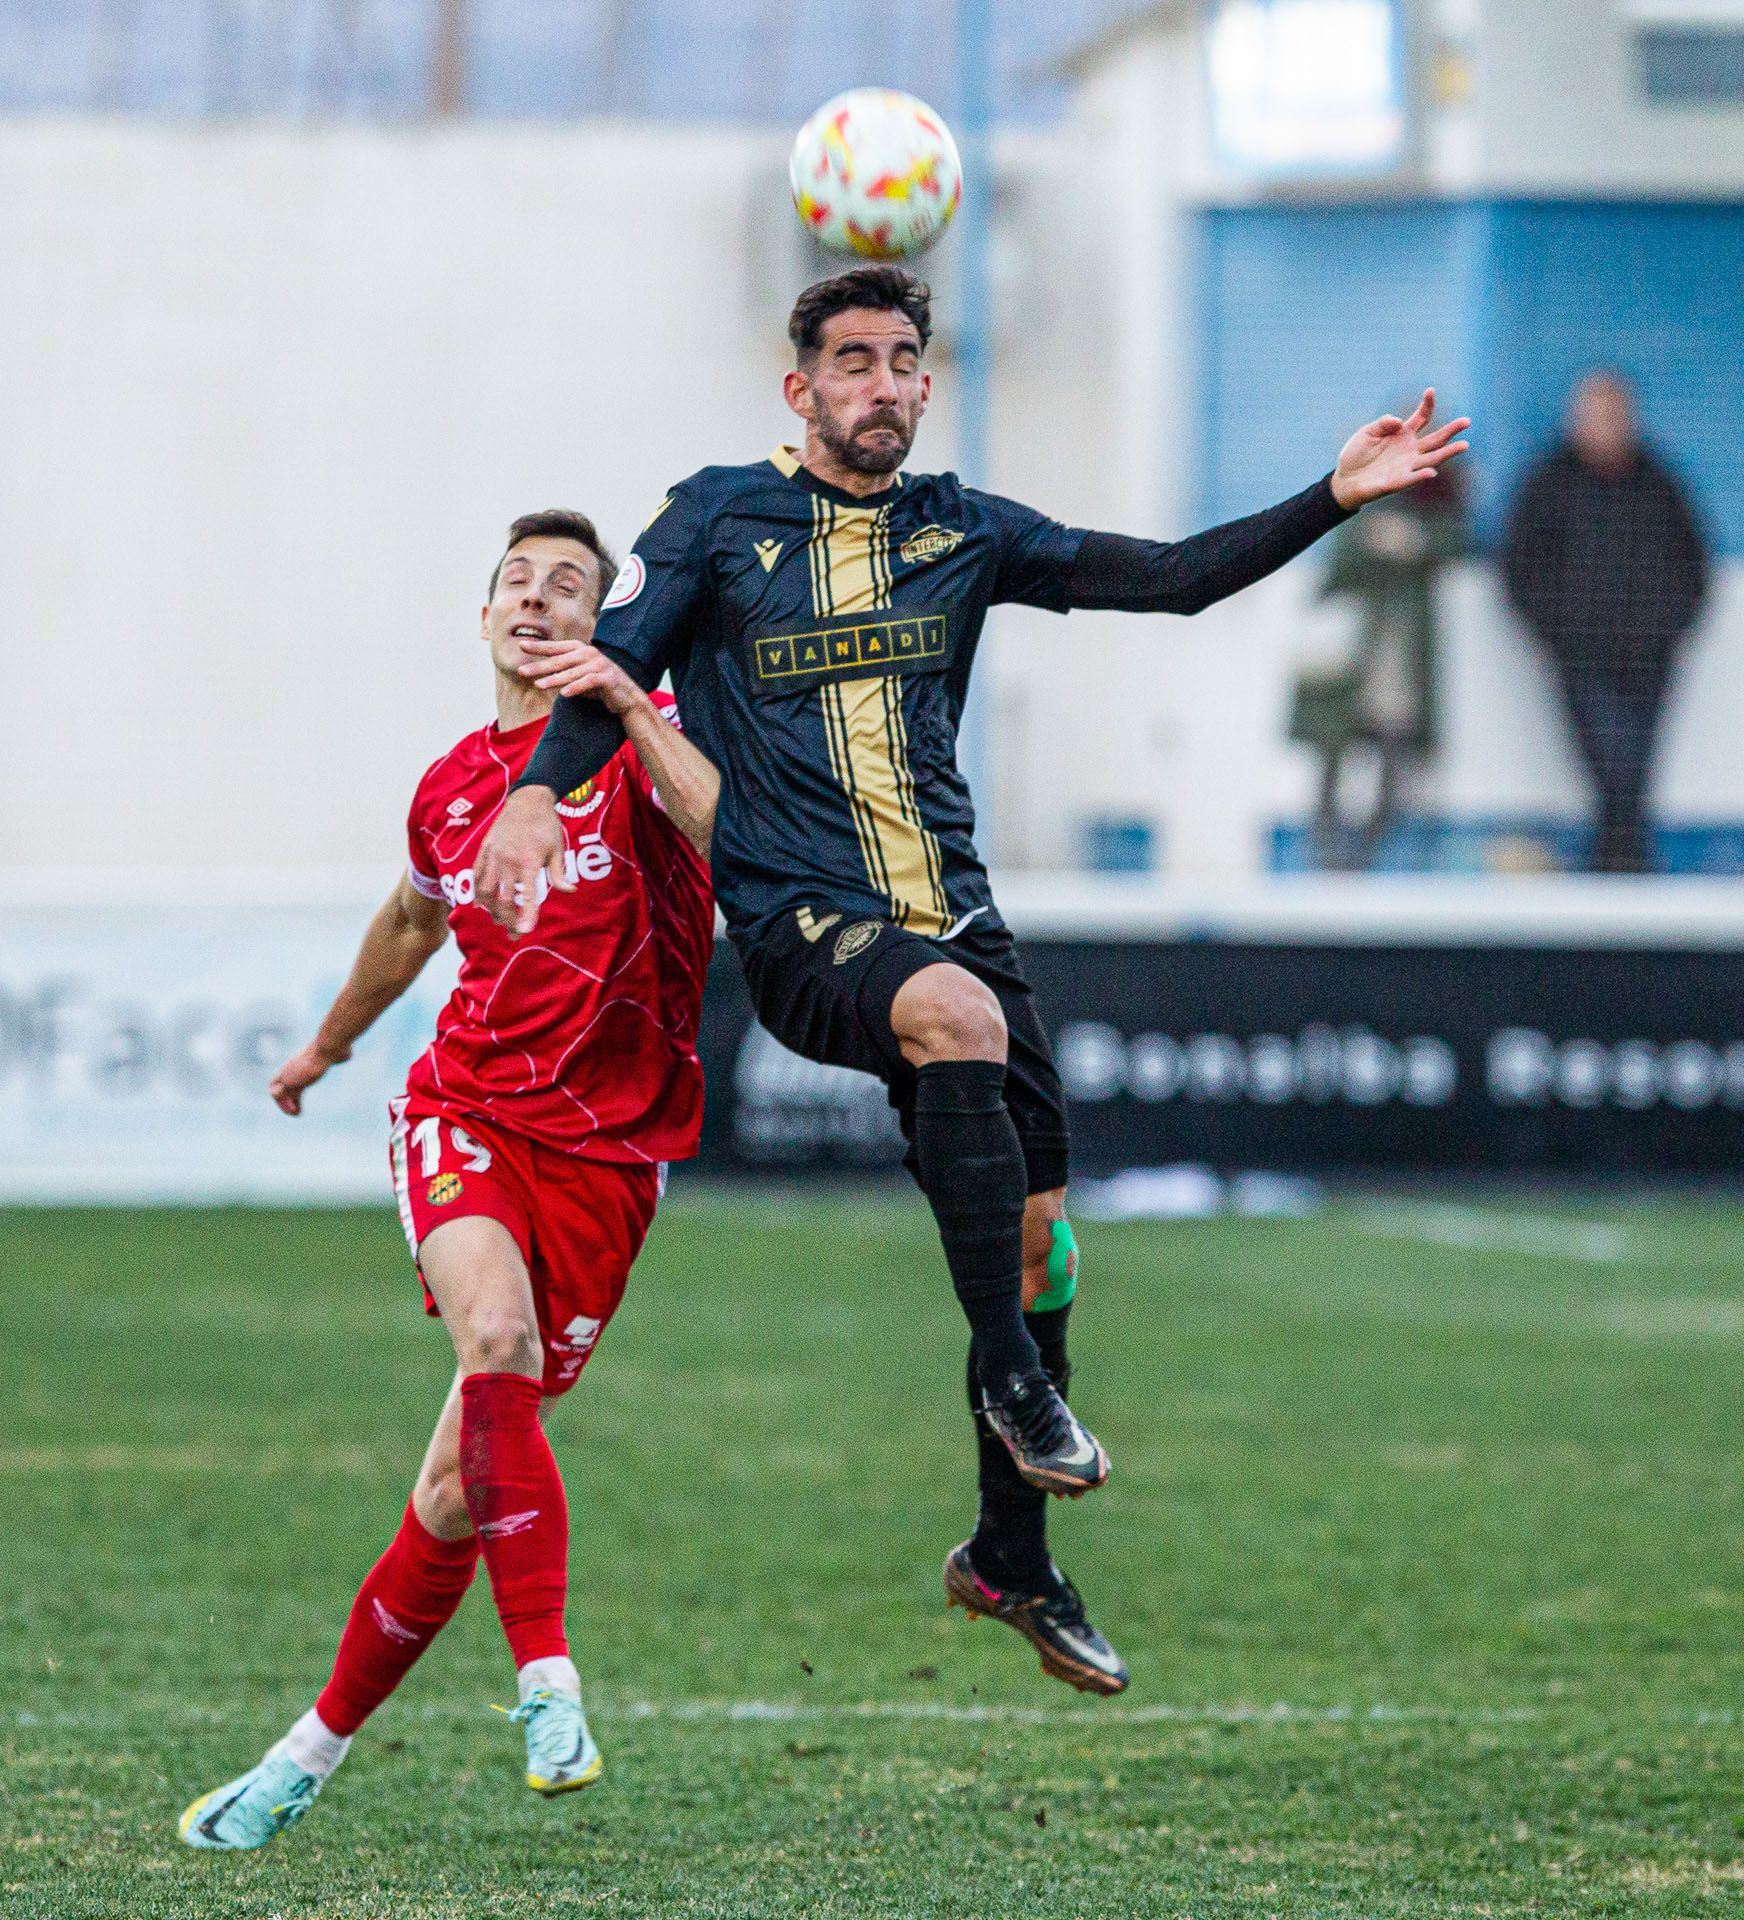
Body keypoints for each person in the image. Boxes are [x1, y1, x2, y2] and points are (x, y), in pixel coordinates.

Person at [477, 266, 1469, 1697]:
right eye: (853, 361)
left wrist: (1332, 493)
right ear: (798, 386)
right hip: (800, 923)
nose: (881, 384)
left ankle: (1010, 1556)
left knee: (1043, 1241)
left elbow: (1171, 581)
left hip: (956, 919)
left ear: (926, 385)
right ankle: (1016, 1386)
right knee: (958, 1026)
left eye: (902, 362)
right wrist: (531, 799)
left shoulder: (961, 529)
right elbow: (612, 667)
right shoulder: (713, 516)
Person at [179, 511, 718, 1850]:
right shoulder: (451, 784)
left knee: (451, 1497)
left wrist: (629, 704)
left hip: (611, 1153)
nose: (539, 601)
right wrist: (331, 1041)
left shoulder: (643, 753)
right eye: (518, 585)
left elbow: (733, 833)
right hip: (465, 1104)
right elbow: (417, 918)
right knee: (494, 1336)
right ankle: (548, 1683)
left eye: (572, 590)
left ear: (606, 626)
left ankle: (305, 1755)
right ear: (483, 620)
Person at [1501, 371, 1708, 874]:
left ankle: (1621, 868)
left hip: (1650, 656)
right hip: (1583, 656)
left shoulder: (1658, 482)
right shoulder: (1548, 482)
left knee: (1635, 770)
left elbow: (1693, 562)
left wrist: (1671, 628)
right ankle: (1620, 866)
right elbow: (1518, 566)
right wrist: (1556, 631)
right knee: (1610, 766)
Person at [1291, 457, 1466, 869]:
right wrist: (1377, 537)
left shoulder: (1438, 499)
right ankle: (1327, 850)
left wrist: (1414, 540)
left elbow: (1460, 541)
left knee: (1394, 747)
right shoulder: (1360, 491)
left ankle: (1368, 854)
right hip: (1351, 651)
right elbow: (1339, 547)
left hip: (1400, 654)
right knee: (1332, 749)